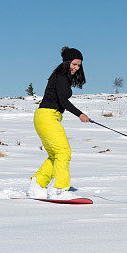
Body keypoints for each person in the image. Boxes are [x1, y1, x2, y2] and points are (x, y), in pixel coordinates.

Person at [27, 46, 90, 198]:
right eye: (74, 64)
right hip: (48, 116)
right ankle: (59, 189)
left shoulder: (60, 75)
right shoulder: (61, 75)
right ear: (67, 62)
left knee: (55, 155)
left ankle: (36, 185)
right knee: (63, 152)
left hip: (43, 117)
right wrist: (80, 114)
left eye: (79, 65)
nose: (76, 67)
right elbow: (63, 100)